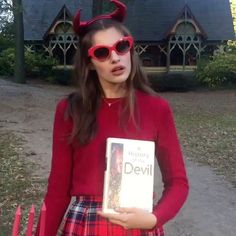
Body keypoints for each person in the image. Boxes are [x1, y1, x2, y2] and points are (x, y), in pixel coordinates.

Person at [36, 0, 189, 235]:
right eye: (102, 52)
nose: (115, 58)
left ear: (130, 49)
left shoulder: (157, 108)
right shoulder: (69, 110)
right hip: (86, 223)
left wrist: (154, 219)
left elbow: (178, 182)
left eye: (121, 47)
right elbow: (58, 190)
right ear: (89, 63)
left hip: (139, 223)